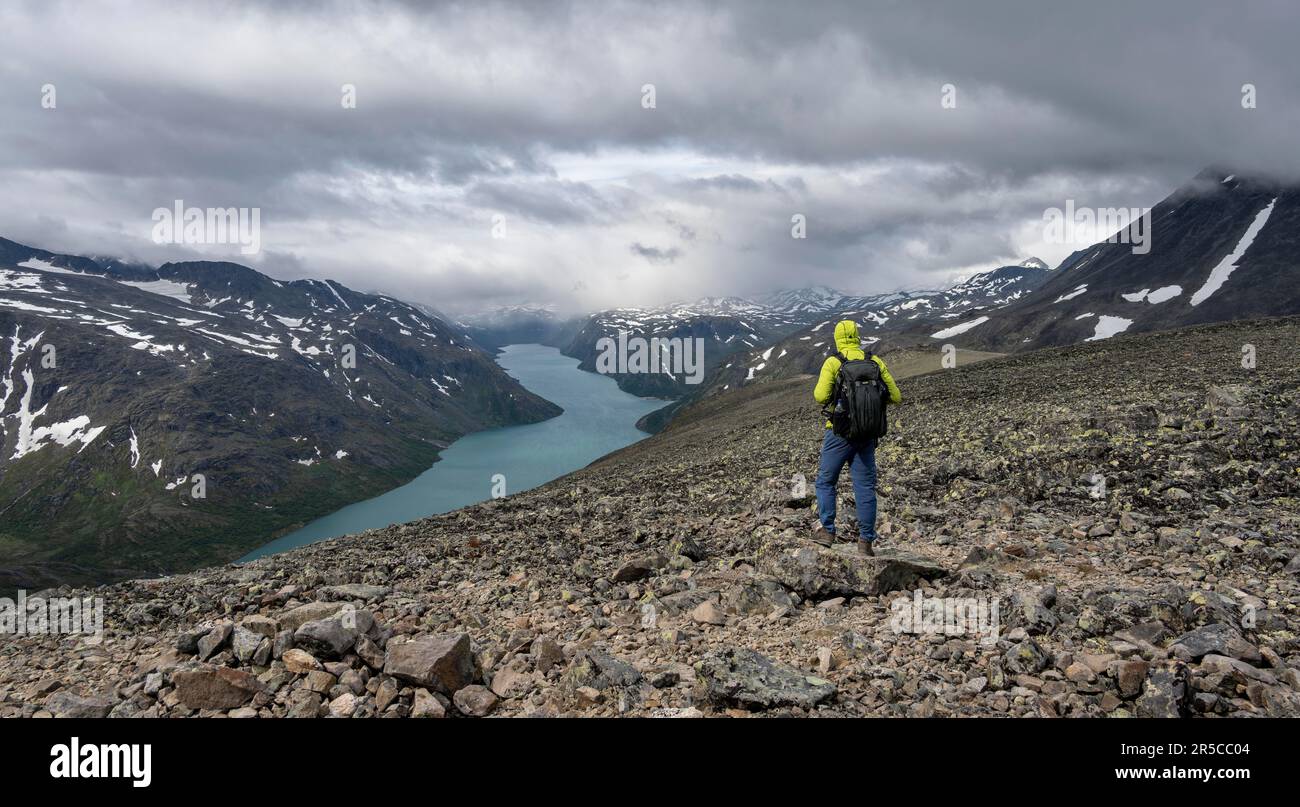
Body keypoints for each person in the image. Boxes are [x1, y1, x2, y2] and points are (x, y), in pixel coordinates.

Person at [812, 320, 901, 555]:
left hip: (839, 433)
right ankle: (865, 543)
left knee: (825, 481)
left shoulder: (834, 362)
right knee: (864, 486)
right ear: (857, 336)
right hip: (867, 435)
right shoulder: (874, 361)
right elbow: (896, 396)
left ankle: (827, 531)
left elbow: (820, 396)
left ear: (837, 337)